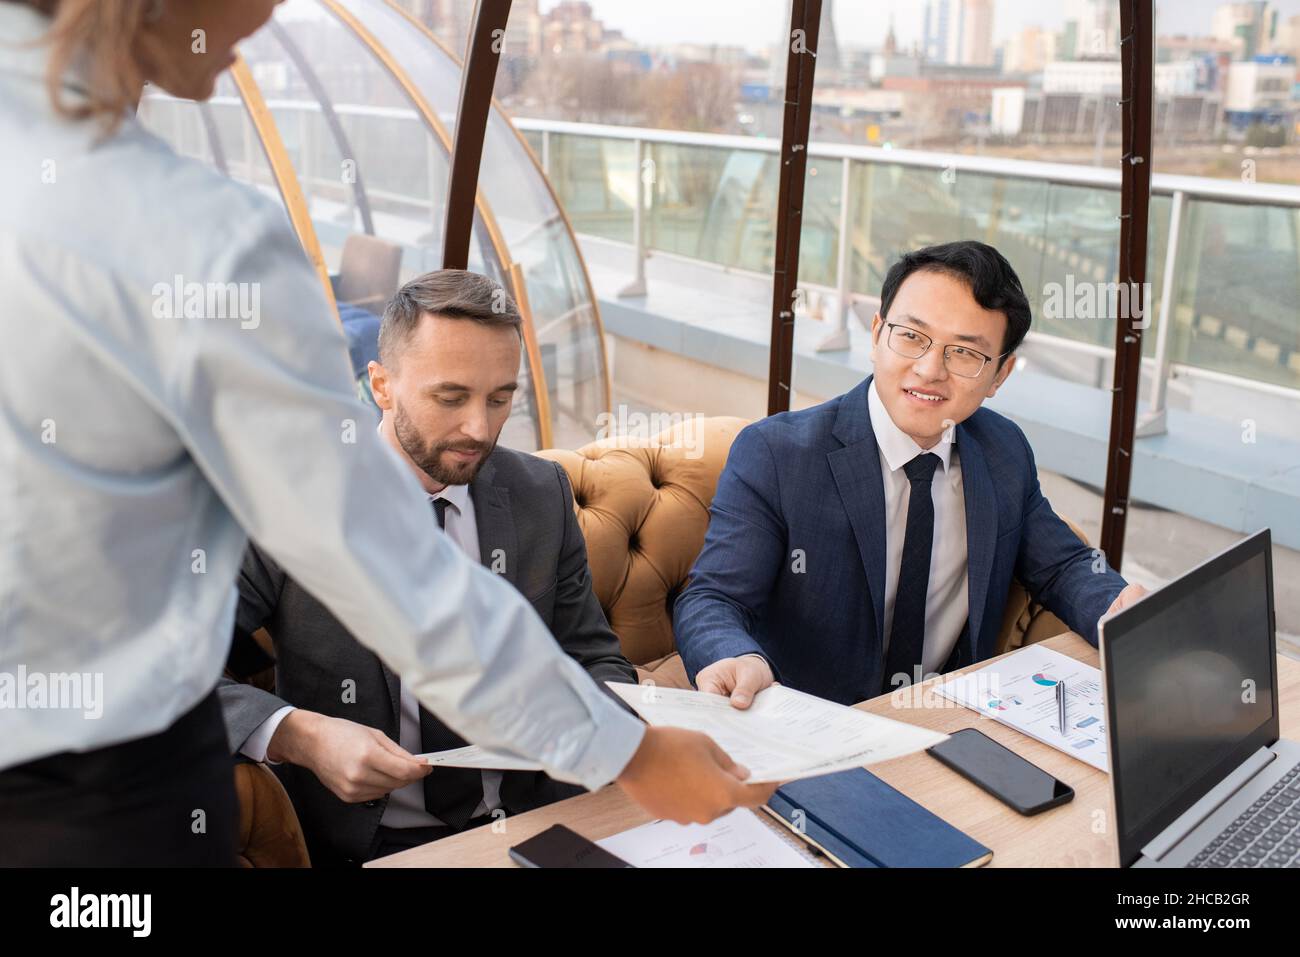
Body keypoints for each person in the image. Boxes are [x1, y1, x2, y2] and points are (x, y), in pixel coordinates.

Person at [0, 0, 772, 866]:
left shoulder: (534, 493)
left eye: (500, 398)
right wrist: (633, 756)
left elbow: (579, 646)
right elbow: (383, 562)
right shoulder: (198, 240)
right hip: (114, 792)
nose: (264, 21)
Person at [221, 270, 640, 865]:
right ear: (381, 386)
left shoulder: (541, 492)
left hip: (538, 822)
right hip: (367, 846)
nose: (479, 428)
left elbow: (595, 656)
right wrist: (298, 735)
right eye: (451, 397)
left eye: (500, 398)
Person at [674, 241, 1147, 709]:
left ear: (1000, 374)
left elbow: (1062, 566)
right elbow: (714, 598)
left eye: (964, 353)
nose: (928, 369)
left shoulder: (1002, 451)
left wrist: (1120, 612)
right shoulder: (778, 454)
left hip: (953, 722)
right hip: (811, 727)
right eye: (912, 336)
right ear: (878, 333)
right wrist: (734, 655)